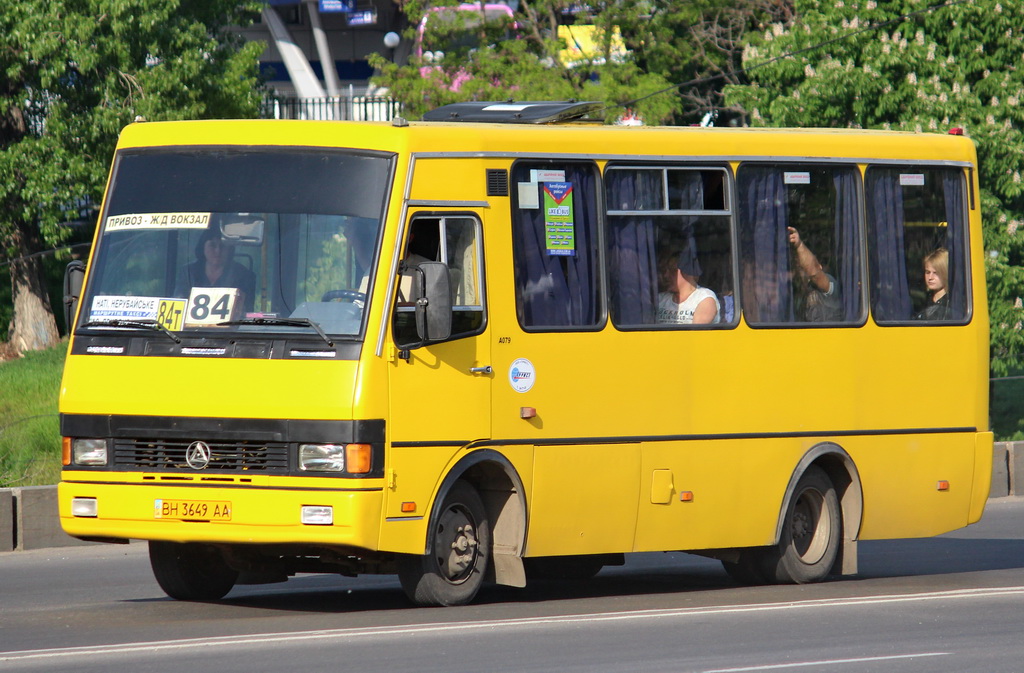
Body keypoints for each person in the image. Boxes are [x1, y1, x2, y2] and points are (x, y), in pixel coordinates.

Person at [175, 226, 256, 314]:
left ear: (230, 250)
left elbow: (247, 311)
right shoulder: (188, 272)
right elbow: (178, 303)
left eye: (222, 246)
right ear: (203, 247)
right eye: (212, 245)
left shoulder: (244, 276)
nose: (218, 250)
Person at [656, 237, 720, 325]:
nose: (666, 275)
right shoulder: (661, 299)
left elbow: (695, 334)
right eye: (665, 271)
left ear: (686, 271)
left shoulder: (704, 298)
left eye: (672, 271)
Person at [787, 226, 842, 322]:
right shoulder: (796, 294)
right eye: (800, 266)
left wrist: (799, 245)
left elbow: (814, 273)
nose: (802, 268)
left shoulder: (830, 286)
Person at [914, 247, 952, 320]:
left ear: (945, 273)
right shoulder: (922, 302)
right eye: (927, 272)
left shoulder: (951, 305)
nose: (930, 277)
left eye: (935, 273)